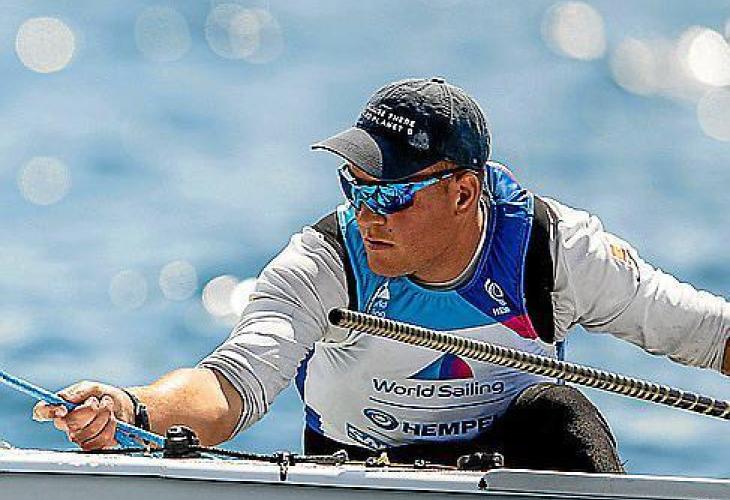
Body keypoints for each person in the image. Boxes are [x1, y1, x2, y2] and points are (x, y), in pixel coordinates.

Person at [34, 78, 730, 473]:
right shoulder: (324, 260)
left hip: (511, 472)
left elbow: (709, 335)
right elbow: (230, 387)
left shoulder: (556, 251)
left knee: (562, 414)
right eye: (354, 185)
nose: (366, 213)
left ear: (463, 192)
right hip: (360, 472)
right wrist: (132, 408)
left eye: (391, 194)